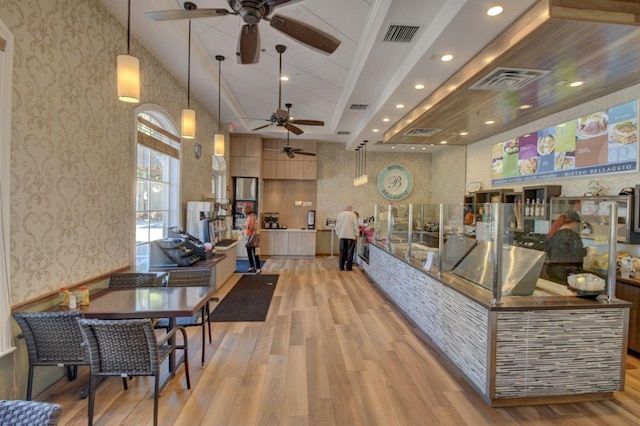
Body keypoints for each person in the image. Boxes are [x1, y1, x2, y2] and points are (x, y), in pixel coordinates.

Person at [544, 209, 587, 284]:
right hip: (567, 272)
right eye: (576, 223)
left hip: (553, 270)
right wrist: (585, 251)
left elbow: (548, 251)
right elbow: (577, 254)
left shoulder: (552, 234)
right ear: (574, 222)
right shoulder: (573, 236)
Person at [335, 205, 359, 271]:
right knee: (350, 252)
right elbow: (355, 225)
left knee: (342, 251)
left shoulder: (340, 215)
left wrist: (339, 234)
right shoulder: (353, 215)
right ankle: (348, 267)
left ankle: (341, 267)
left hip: (342, 236)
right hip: (351, 236)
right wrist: (357, 234)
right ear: (350, 209)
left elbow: (337, 226)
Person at [242, 204, 261, 274]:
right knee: (250, 253)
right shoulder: (250, 217)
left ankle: (258, 267)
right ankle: (252, 266)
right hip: (249, 237)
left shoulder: (252, 217)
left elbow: (254, 228)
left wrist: (246, 227)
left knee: (254, 253)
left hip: (252, 237)